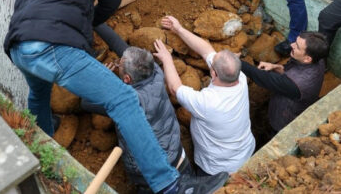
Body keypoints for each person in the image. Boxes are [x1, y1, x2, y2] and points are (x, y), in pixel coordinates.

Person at [0, 0, 227, 194]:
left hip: (21, 45)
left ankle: (41, 149)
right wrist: (85, 25)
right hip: (56, 46)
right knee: (124, 100)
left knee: (39, 92)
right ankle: (171, 186)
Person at [154, 16, 256, 176]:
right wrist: (179, 29)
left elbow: (175, 88)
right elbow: (206, 50)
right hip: (245, 153)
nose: (211, 56)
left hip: (216, 169)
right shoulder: (239, 77)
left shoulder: (208, 102)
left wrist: (167, 59)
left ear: (213, 73)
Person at [82, 46, 191, 193]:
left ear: (127, 79)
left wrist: (103, 79)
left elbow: (85, 103)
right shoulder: (156, 73)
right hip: (180, 159)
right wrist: (98, 24)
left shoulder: (126, 102)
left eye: (119, 65)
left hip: (151, 178)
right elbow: (123, 47)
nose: (118, 63)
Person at [240, 32, 327, 135]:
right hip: (299, 104)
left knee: (275, 133)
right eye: (295, 41)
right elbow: (293, 71)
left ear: (307, 59)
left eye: (297, 46)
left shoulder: (297, 84)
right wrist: (275, 67)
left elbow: (263, 78)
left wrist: (237, 62)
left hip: (284, 120)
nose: (291, 45)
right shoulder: (319, 60)